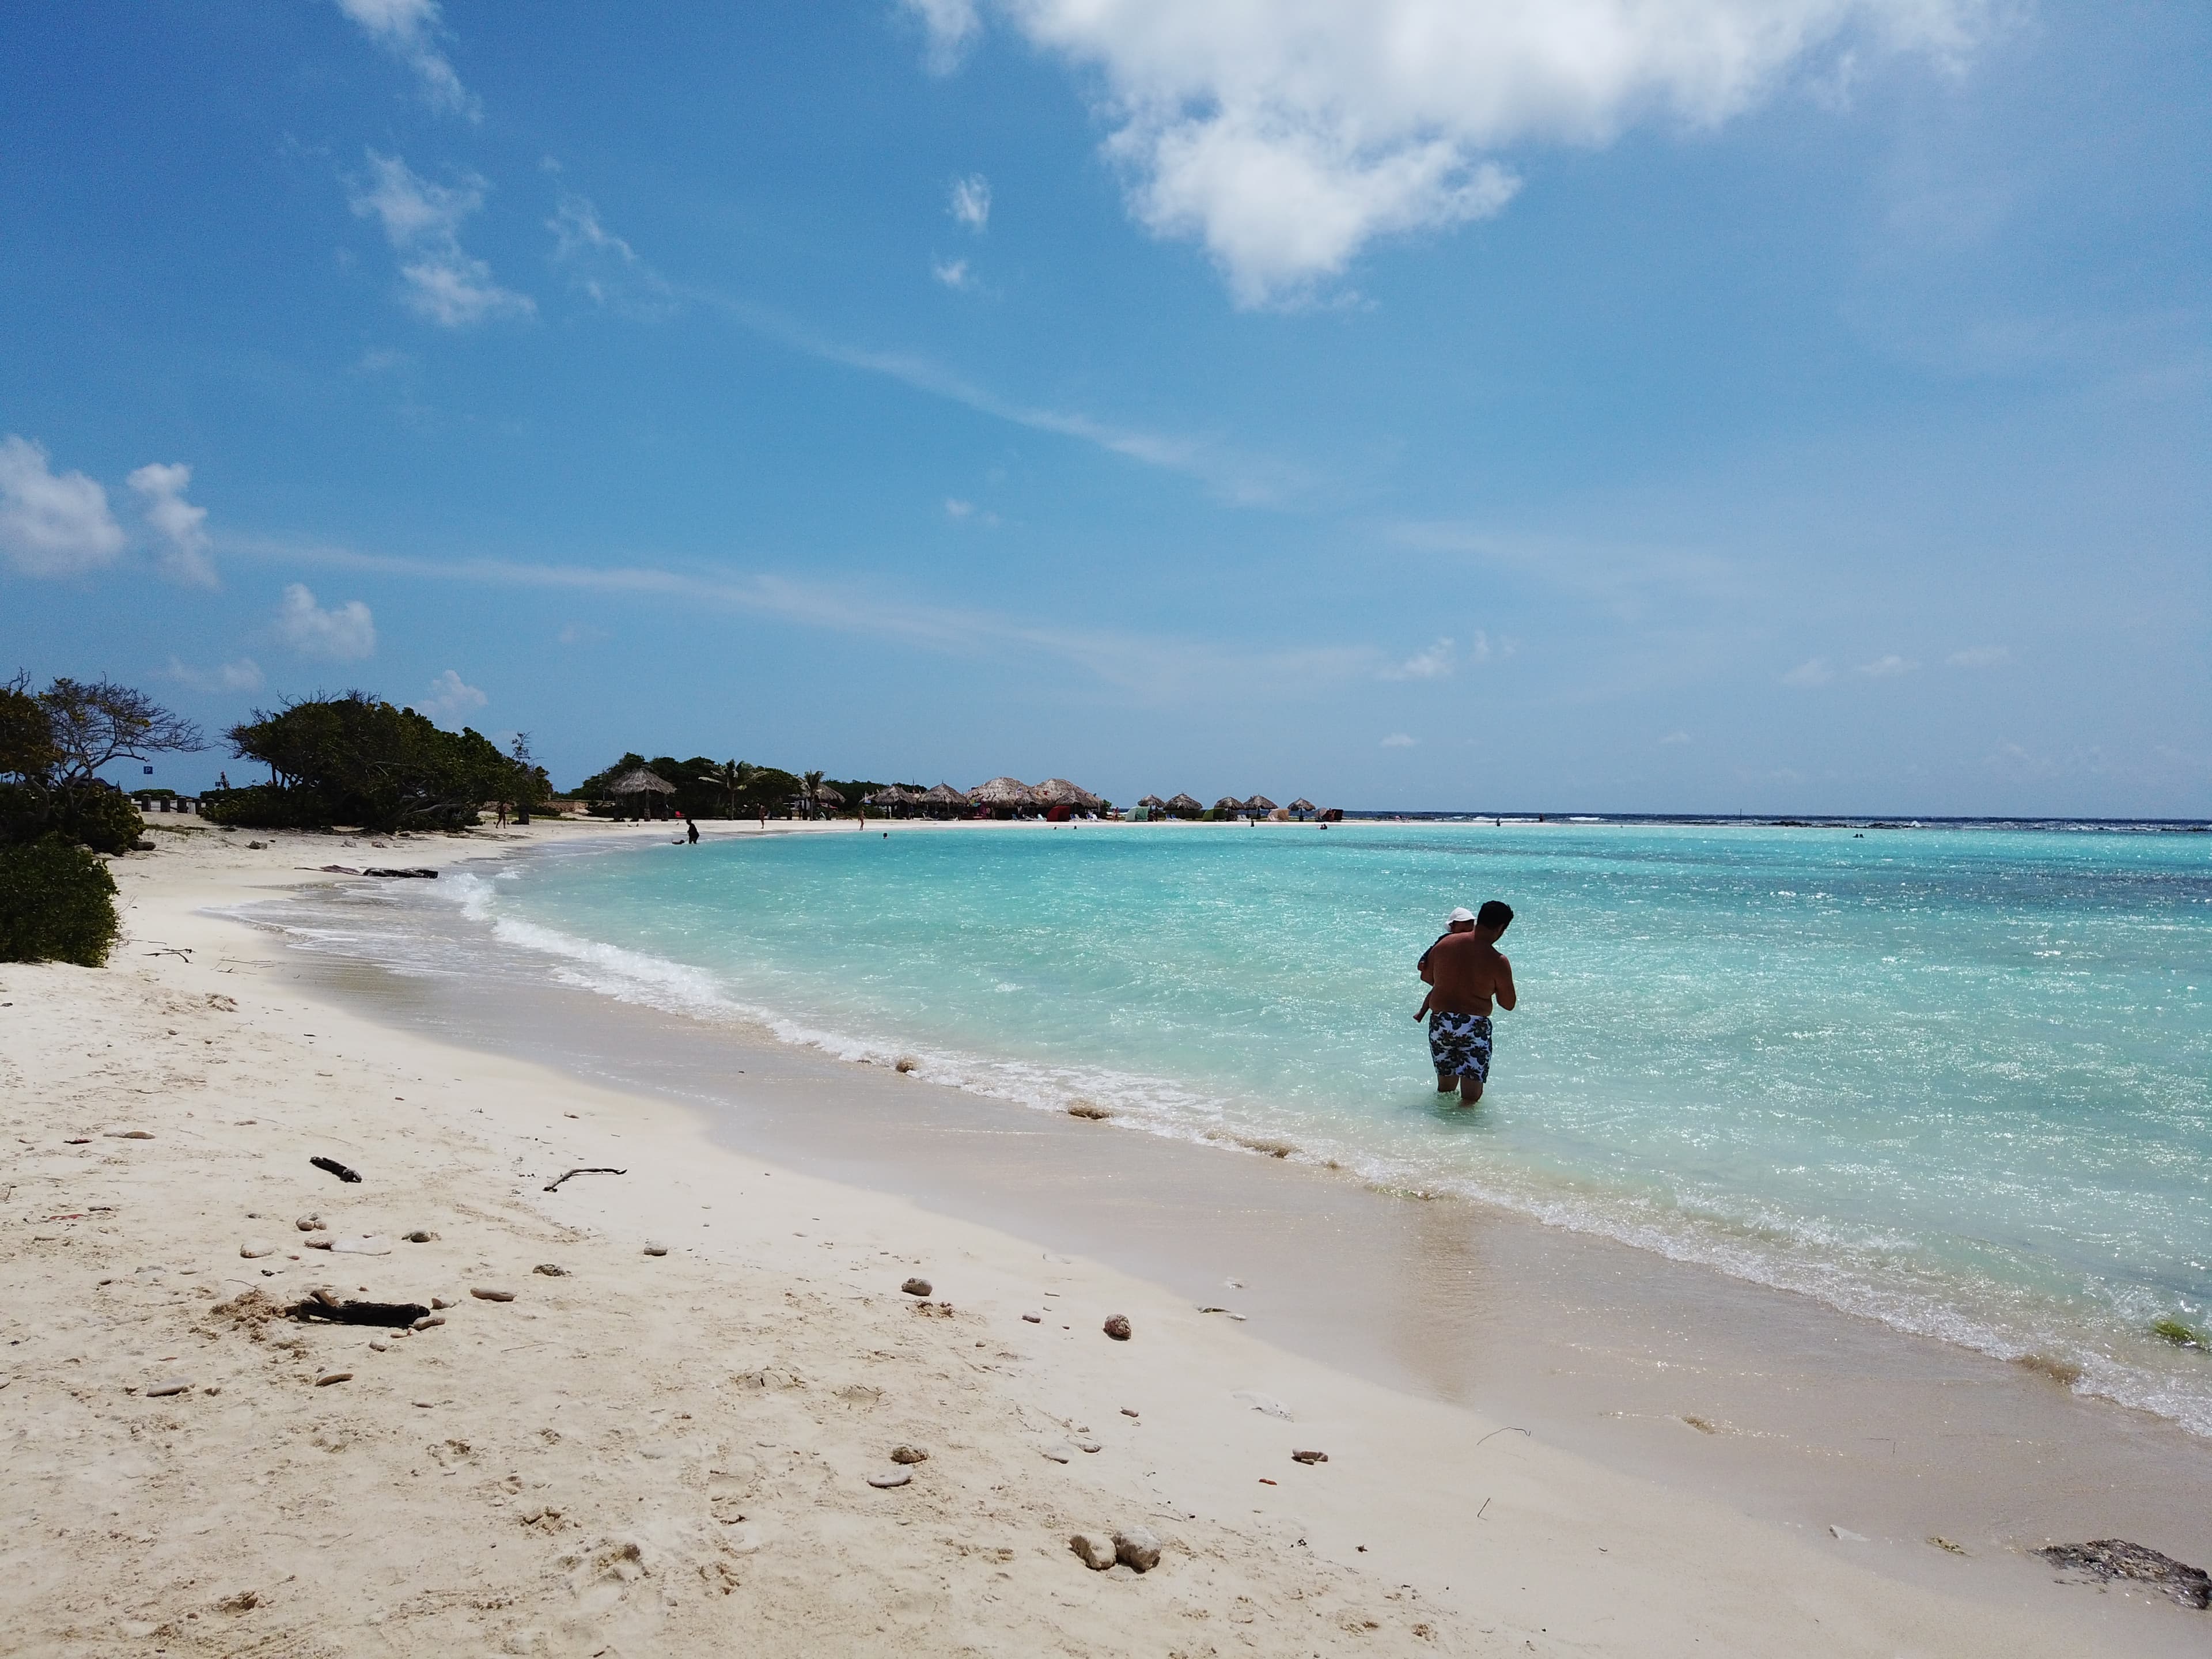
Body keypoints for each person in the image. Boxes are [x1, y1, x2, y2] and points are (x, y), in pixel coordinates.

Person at [1414, 901, 1516, 1104]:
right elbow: (1508, 1003)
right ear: (1501, 928)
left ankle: (1439, 1130)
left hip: (1441, 1023)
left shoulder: (1444, 945)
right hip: (1474, 1027)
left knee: (1445, 1091)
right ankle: (1465, 1135)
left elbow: (1426, 977)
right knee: (1470, 1098)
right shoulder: (1498, 960)